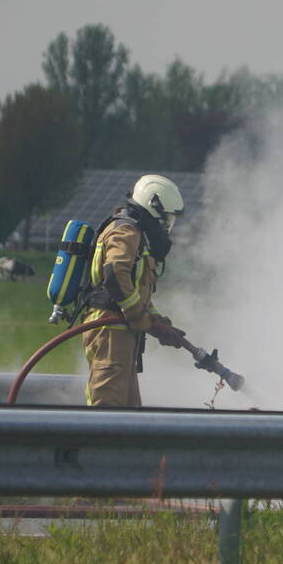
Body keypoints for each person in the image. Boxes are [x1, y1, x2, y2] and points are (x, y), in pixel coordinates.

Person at [82, 174, 188, 407]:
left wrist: (158, 322)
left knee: (129, 411)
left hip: (121, 332)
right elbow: (114, 275)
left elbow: (133, 290)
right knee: (107, 407)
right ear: (154, 207)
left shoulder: (136, 235)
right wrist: (142, 319)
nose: (167, 225)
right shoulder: (126, 232)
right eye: (166, 218)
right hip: (110, 331)